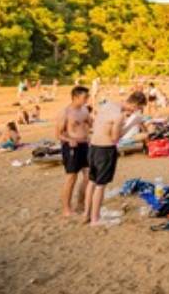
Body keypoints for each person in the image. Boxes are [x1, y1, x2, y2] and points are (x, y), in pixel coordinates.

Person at [84, 91, 148, 226]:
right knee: (101, 185)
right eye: (138, 108)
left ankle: (87, 214)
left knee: (92, 182)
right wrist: (132, 123)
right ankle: (95, 219)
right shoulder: (119, 116)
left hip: (93, 147)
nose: (136, 111)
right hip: (105, 150)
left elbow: (99, 126)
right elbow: (115, 138)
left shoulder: (108, 105)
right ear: (135, 105)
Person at [56, 86, 92, 217]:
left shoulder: (85, 110)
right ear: (76, 97)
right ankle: (66, 209)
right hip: (71, 147)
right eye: (85, 97)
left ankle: (81, 203)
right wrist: (68, 139)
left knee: (88, 177)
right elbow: (58, 134)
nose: (87, 99)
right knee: (72, 177)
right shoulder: (65, 112)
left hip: (85, 145)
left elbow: (90, 124)